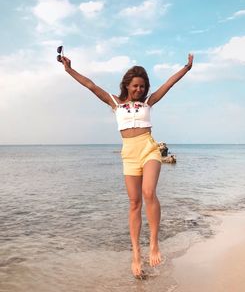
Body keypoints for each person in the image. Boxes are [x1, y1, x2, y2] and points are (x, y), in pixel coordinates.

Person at [60, 53, 193, 278]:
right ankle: (135, 253)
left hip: (149, 148)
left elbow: (169, 83)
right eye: (135, 86)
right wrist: (69, 70)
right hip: (129, 153)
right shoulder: (115, 103)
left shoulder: (149, 102)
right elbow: (90, 86)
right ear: (127, 86)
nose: (139, 90)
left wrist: (186, 68)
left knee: (149, 192)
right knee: (134, 203)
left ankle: (153, 243)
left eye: (142, 86)